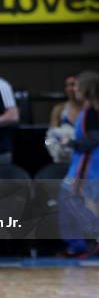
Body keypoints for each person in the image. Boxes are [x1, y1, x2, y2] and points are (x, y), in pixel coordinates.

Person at [59, 71, 99, 257]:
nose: (74, 89)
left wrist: (70, 142)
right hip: (85, 160)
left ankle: (84, 244)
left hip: (89, 162)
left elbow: (93, 140)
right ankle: (83, 243)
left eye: (77, 85)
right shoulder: (89, 109)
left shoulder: (92, 112)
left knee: (73, 198)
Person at [45, 74, 83, 164]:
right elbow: (51, 135)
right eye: (68, 85)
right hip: (65, 157)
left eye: (73, 84)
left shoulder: (91, 109)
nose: (70, 88)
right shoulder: (59, 109)